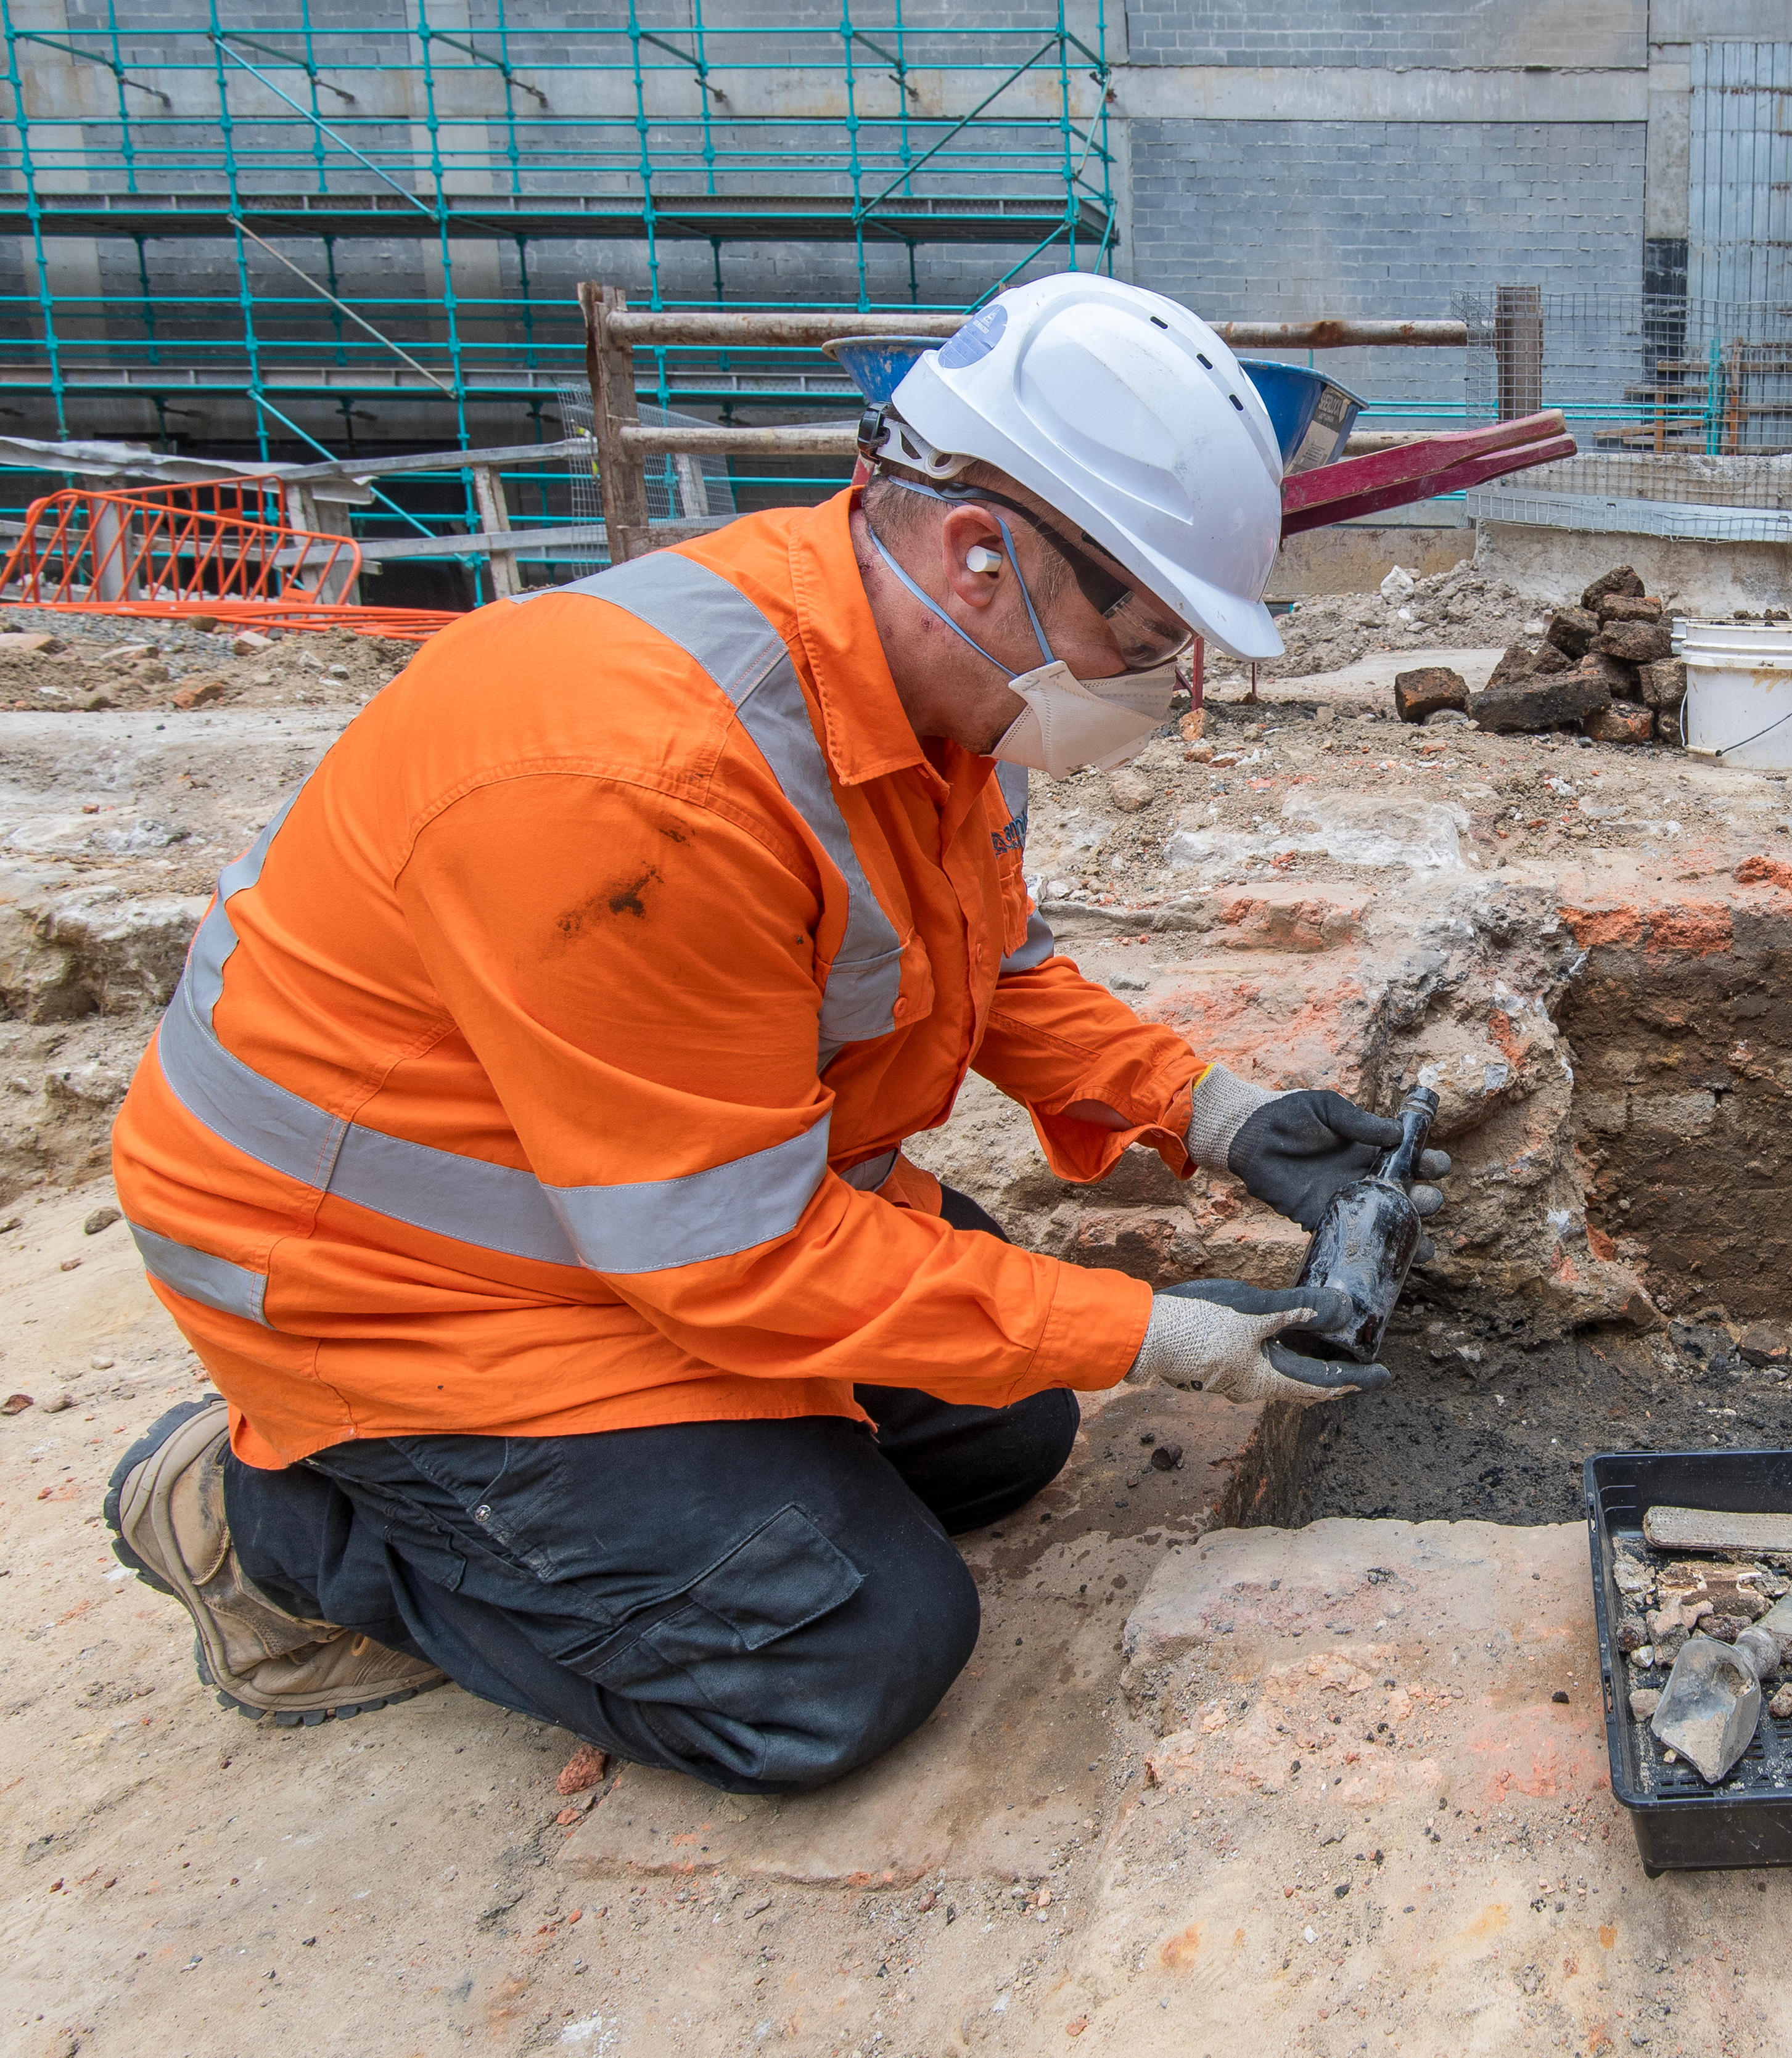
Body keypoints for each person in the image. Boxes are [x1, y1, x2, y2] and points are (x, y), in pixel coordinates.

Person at [99, 274, 1449, 1792]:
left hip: (627, 1202)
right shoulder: (645, 783)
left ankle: (662, 1491)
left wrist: (1214, 1110)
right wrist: (1159, 1333)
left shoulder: (929, 691)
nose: (1154, 673)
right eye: (1140, 621)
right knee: (850, 1650)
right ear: (981, 551)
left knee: (1008, 1428)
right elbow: (729, 1257)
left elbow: (986, 969)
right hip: (401, 1284)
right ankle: (277, 1521)